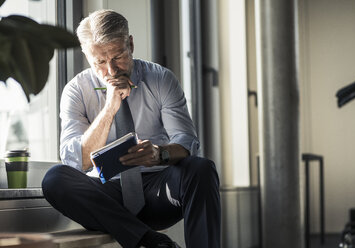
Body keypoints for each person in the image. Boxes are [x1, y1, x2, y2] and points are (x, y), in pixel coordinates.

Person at [41, 9, 221, 248]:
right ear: (87, 57)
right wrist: (109, 109)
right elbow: (76, 161)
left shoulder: (161, 79)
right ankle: (152, 242)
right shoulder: (76, 91)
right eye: (101, 63)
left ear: (131, 44)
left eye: (118, 57)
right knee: (54, 179)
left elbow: (187, 142)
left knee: (202, 169)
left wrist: (160, 153)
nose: (112, 71)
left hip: (159, 189)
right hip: (107, 199)